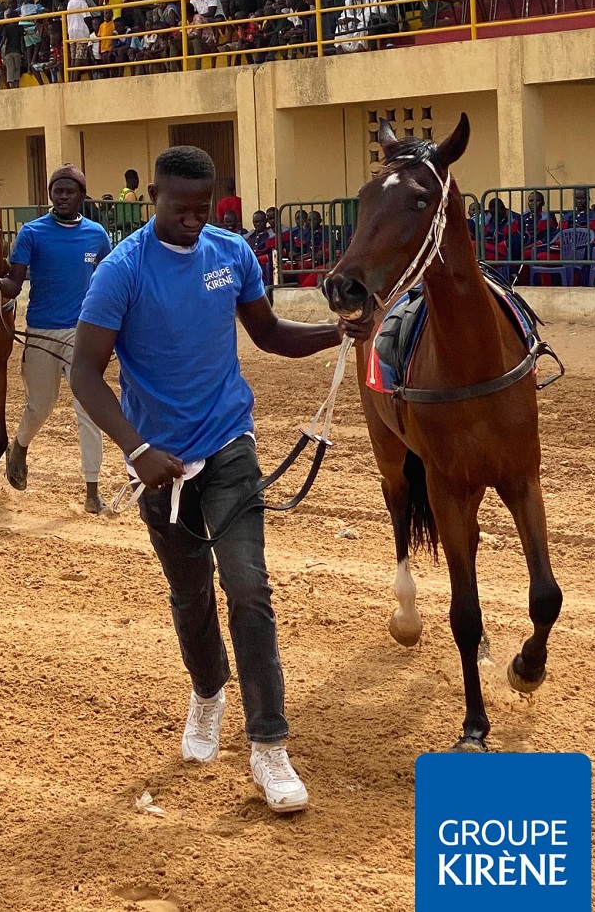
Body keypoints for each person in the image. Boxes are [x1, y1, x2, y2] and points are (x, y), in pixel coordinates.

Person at [69, 146, 371, 814]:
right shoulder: (122, 272)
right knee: (190, 594)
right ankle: (208, 693)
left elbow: (265, 335)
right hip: (160, 465)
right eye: (180, 209)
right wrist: (137, 448)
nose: (192, 221)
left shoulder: (231, 254)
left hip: (230, 445)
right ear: (153, 197)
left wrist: (335, 334)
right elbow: (83, 372)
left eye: (204, 209)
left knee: (250, 590)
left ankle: (269, 749)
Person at [0, 165, 111, 514]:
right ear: (50, 194)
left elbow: (107, 283)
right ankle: (19, 446)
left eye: (69, 191)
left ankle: (92, 492)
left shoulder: (97, 235)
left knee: (88, 409)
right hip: (42, 332)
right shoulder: (31, 233)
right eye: (57, 191)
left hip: (83, 332)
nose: (62, 196)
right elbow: (14, 285)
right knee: (39, 407)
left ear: (81, 196)